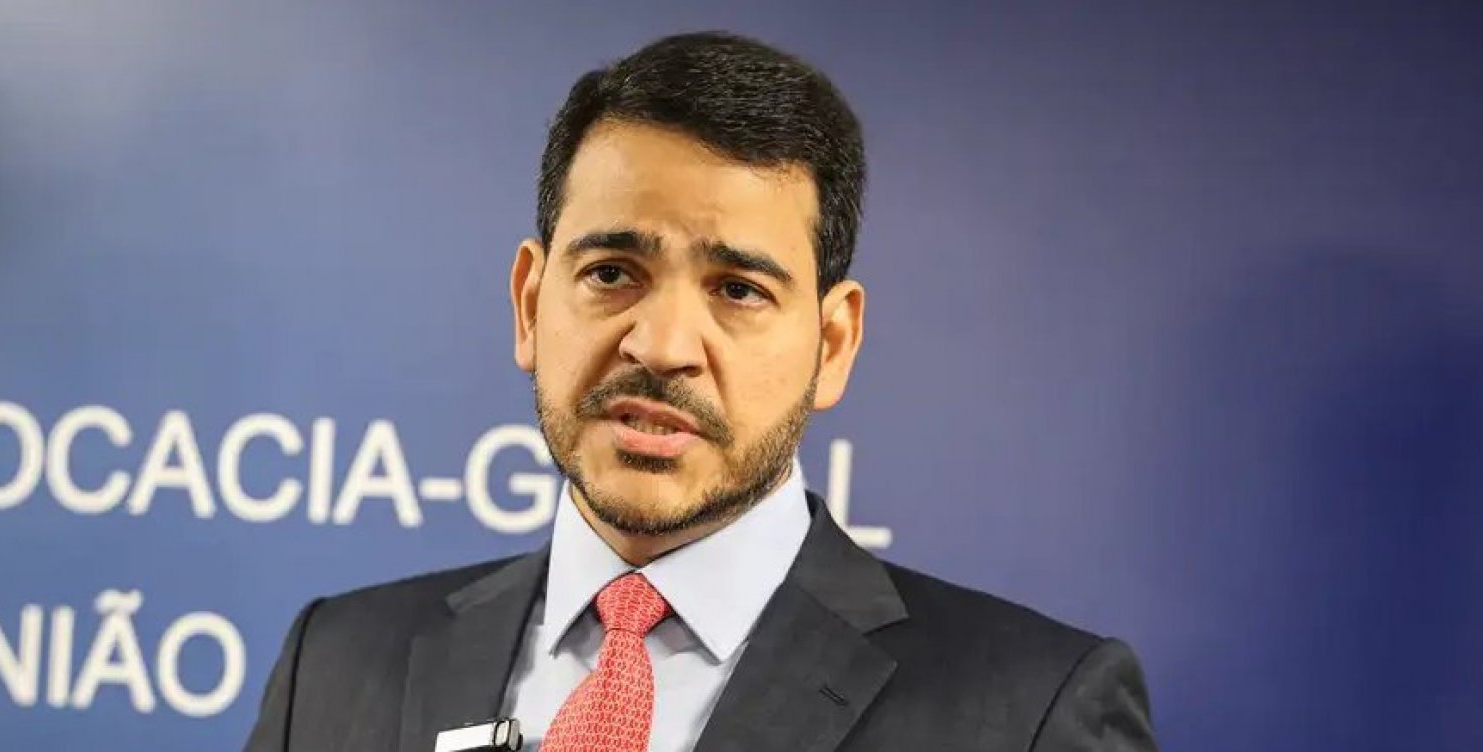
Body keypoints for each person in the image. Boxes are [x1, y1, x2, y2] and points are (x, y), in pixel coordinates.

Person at [243, 31, 1157, 752]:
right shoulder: (336, 662)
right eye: (611, 273)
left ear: (832, 344)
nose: (662, 345)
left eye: (738, 290)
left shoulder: (1030, 712)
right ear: (530, 303)